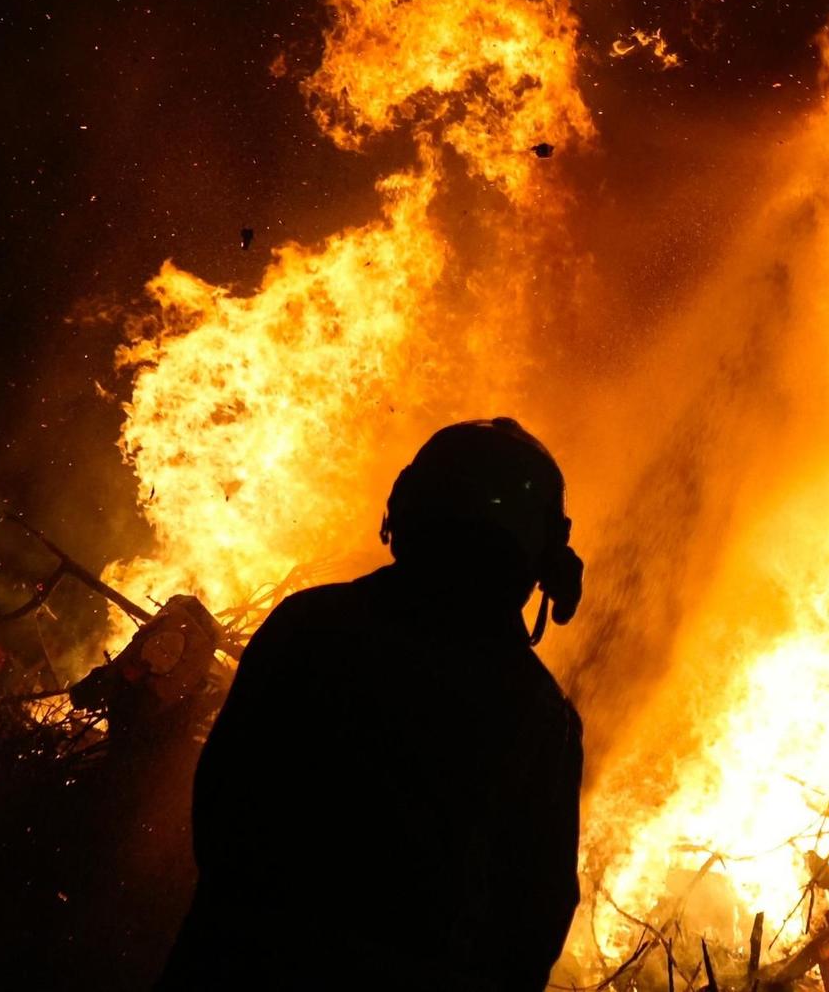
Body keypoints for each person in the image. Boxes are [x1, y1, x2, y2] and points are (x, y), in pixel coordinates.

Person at [159, 418, 586, 992]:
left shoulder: (310, 627)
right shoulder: (542, 717)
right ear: (543, 566)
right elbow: (530, 930)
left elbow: (222, 817)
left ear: (404, 513)